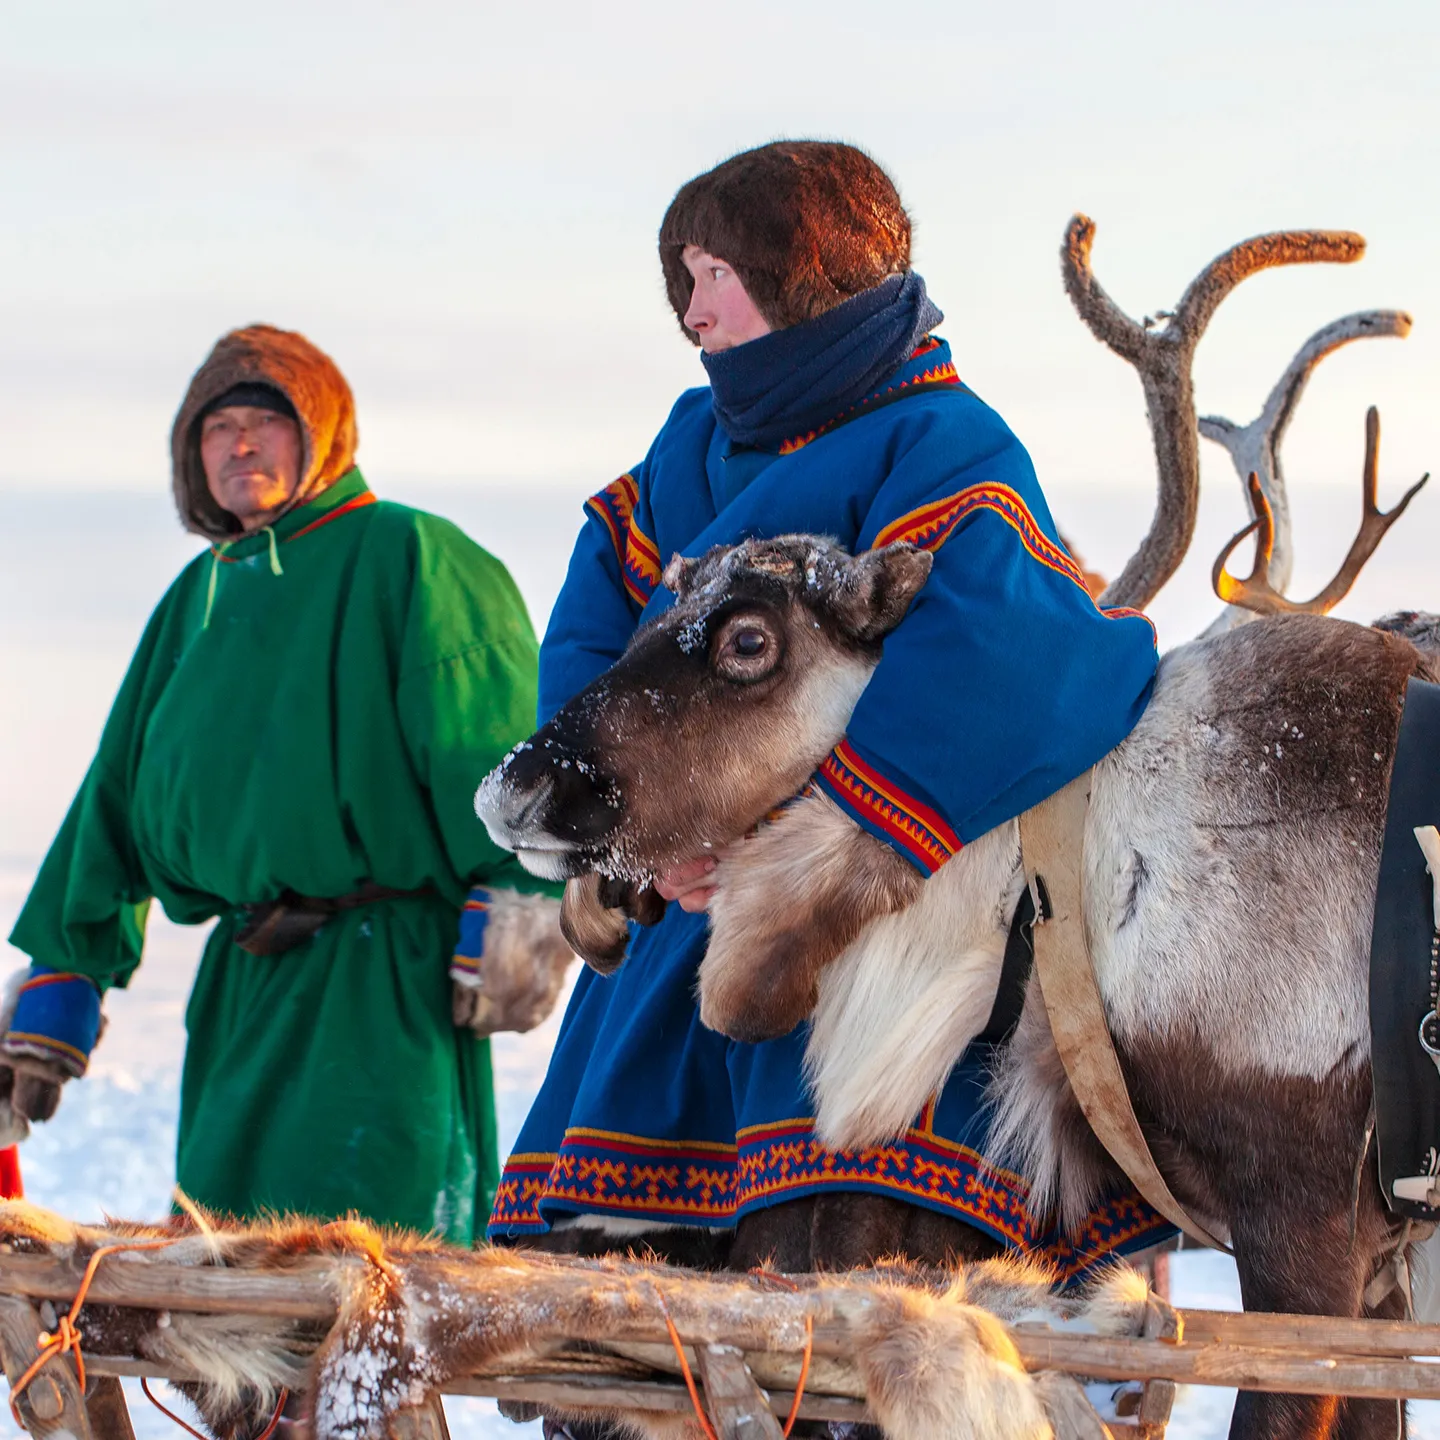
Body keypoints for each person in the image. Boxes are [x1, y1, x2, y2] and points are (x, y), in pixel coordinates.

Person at [488, 142, 1170, 1275]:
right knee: (622, 1300)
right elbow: (595, 643)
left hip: (876, 947)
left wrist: (808, 860)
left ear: (803, 271)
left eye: (716, 275)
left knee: (856, 1302)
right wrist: (636, 842)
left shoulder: (936, 437)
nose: (692, 310)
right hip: (683, 925)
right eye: (687, 279)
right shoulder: (680, 456)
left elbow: (1016, 655)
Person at [3, 325, 571, 1242]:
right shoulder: (198, 596)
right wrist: (69, 970)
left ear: (323, 435)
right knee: (222, 1279)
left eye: (264, 423)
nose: (237, 445)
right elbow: (113, 797)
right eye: (215, 428)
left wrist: (523, 910)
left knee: (367, 1282)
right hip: (240, 986)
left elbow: (497, 750)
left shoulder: (410, 554)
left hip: (386, 979)